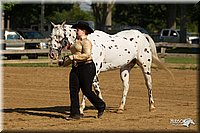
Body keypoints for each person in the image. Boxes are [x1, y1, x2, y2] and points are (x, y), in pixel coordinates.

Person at [65, 21, 106, 120]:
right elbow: (72, 57)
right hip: (76, 68)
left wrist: (73, 57)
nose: (76, 31)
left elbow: (87, 55)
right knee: (73, 91)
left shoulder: (86, 42)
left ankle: (101, 105)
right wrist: (64, 62)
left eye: (78, 29)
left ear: (84, 31)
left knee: (87, 91)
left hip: (87, 67)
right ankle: (75, 113)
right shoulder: (76, 42)